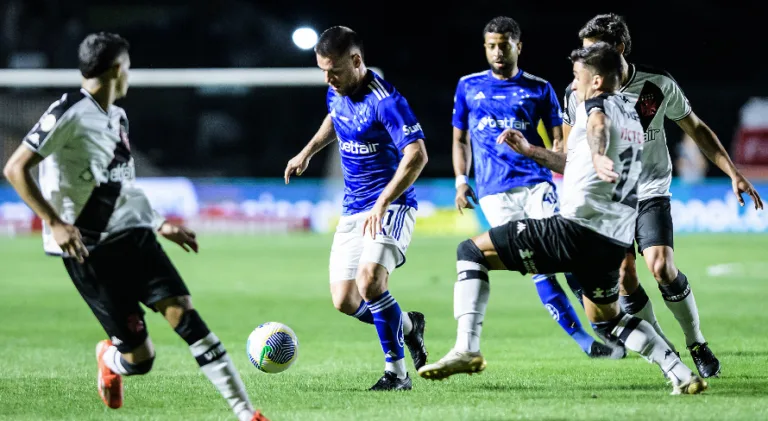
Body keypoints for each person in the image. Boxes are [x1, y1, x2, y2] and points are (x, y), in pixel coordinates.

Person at [2, 33, 268, 420]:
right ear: (116, 69)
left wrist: (160, 223)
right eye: (128, 67)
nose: (130, 75)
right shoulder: (68, 111)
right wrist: (55, 223)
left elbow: (122, 185)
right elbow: (15, 168)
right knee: (140, 360)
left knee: (186, 317)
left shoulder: (118, 117)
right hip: (89, 250)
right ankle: (110, 358)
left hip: (136, 237)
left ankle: (246, 413)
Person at [418, 42, 708, 395]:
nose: (573, 83)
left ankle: (466, 348)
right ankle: (679, 372)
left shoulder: (597, 107)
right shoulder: (633, 116)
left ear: (597, 80)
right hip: (610, 242)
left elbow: (597, 126)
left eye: (577, 75)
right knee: (608, 317)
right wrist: (530, 150)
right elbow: (573, 162)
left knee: (471, 252)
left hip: (575, 230)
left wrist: (599, 155)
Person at [562, 14, 764, 378]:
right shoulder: (577, 91)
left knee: (662, 268)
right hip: (609, 198)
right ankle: (663, 349)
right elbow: (568, 151)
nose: (584, 60)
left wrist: (733, 172)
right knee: (625, 277)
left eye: (593, 52)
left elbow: (696, 128)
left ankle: (696, 342)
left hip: (651, 188)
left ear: (619, 50)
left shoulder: (657, 85)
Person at [451, 16, 621, 359]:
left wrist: (562, 162)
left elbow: (560, 140)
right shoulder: (468, 86)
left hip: (536, 184)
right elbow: (459, 139)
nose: (498, 52)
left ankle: (605, 325)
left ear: (518, 46)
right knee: (536, 266)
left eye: (504, 45)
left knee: (567, 254)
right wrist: (460, 181)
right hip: (494, 192)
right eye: (492, 46)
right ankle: (586, 342)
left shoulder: (539, 88)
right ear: (485, 48)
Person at [284, 26, 428, 391]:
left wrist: (383, 201)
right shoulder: (337, 90)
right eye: (322, 71)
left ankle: (397, 374)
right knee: (345, 300)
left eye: (333, 70)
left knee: (370, 282)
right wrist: (306, 152)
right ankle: (408, 326)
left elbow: (417, 155)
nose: (327, 78)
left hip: (391, 206)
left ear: (357, 61)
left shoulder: (387, 101)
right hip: (353, 209)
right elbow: (335, 118)